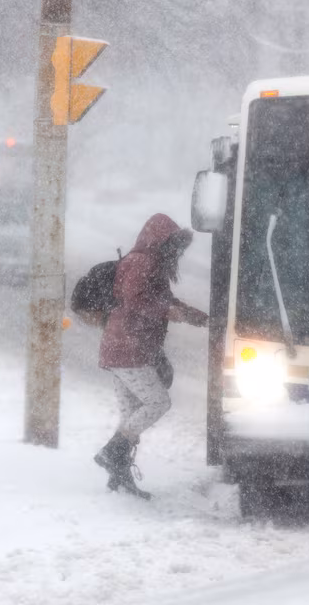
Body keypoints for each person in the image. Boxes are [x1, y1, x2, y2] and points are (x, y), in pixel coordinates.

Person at [94, 213, 208, 498]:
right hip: (127, 348)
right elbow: (136, 300)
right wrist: (167, 311)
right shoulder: (141, 262)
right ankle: (112, 452)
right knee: (158, 402)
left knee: (131, 414)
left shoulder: (152, 264)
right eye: (173, 246)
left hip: (121, 347)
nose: (177, 253)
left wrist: (198, 317)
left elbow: (166, 300)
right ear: (159, 241)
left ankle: (118, 476)